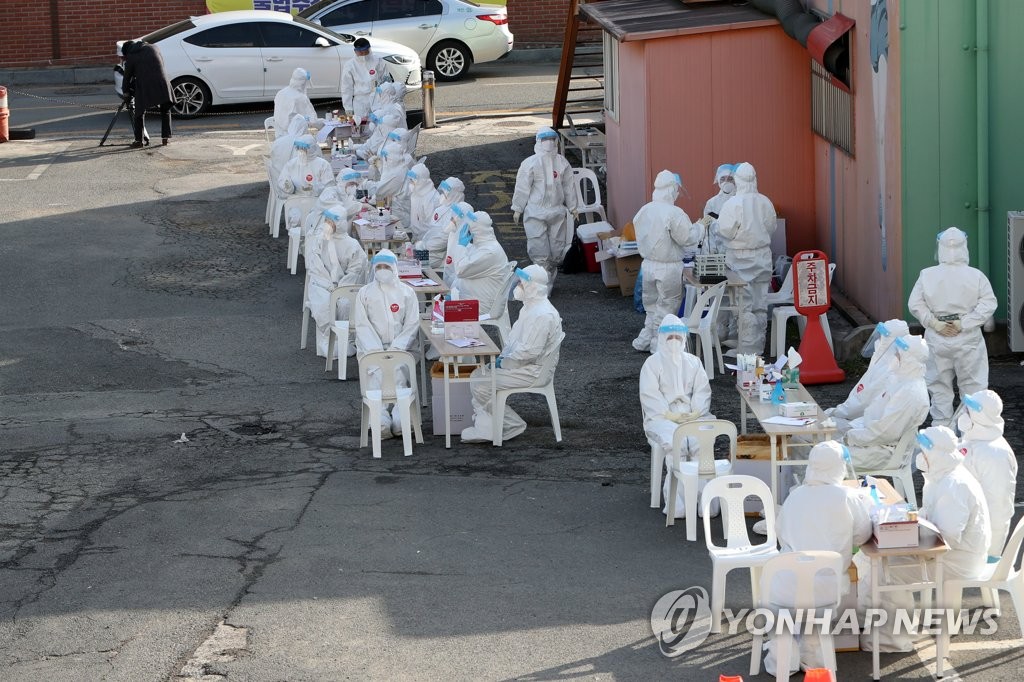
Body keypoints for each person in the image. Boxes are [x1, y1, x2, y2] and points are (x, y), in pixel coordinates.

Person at [856, 425, 991, 652]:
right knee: (866, 558)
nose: (921, 457)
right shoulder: (942, 476)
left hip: (956, 560)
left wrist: (903, 536)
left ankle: (891, 641)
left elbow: (946, 539)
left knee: (885, 573)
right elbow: (933, 522)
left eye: (925, 452)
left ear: (936, 454)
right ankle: (864, 621)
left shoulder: (953, 485)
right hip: (946, 552)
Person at [765, 440, 873, 675]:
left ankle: (783, 662)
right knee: (817, 619)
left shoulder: (795, 496)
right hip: (826, 587)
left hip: (786, 584)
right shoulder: (848, 497)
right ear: (839, 467)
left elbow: (781, 533)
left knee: (784, 620)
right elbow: (863, 535)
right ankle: (814, 661)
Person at [461, 265, 564, 444]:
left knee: (481, 383)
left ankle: (509, 424)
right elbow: (517, 341)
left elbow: (529, 352)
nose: (517, 288)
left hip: (531, 371)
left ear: (533, 288)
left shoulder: (542, 315)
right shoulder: (530, 308)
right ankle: (488, 427)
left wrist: (505, 362)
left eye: (522, 285)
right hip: (523, 365)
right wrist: (504, 358)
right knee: (480, 375)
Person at [907, 227, 997, 427]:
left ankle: (941, 430)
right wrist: (964, 323)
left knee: (938, 384)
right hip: (968, 337)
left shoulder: (927, 275)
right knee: (973, 384)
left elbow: (915, 304)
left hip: (937, 336)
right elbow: (989, 303)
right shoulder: (976, 276)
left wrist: (934, 323)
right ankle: (973, 429)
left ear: (940, 247)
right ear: (965, 247)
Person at [638, 314, 714, 518]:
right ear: (662, 339)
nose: (674, 342)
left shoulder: (693, 362)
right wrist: (667, 414)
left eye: (678, 338)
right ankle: (677, 503)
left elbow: (702, 390)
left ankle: (703, 501)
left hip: (694, 415)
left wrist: (696, 411)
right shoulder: (652, 364)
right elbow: (649, 395)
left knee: (701, 444)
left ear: (684, 339)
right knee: (676, 444)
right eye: (669, 338)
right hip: (661, 418)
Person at [631, 170, 702, 353]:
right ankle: (658, 345)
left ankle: (645, 339)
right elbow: (687, 238)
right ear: (672, 189)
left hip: (647, 265)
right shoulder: (674, 213)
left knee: (652, 306)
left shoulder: (644, 210)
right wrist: (700, 227)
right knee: (666, 307)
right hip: (668, 266)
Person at [352, 250, 421, 438]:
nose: (383, 271)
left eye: (387, 267)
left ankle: (400, 419)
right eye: (379, 267)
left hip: (403, 348)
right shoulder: (365, 293)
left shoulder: (407, 293)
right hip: (371, 349)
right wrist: (377, 352)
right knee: (376, 376)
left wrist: (396, 349)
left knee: (398, 372)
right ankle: (381, 419)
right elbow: (362, 326)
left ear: (394, 268)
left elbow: (412, 324)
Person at [716, 162, 778, 354]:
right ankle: (756, 346)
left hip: (740, 258)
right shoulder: (765, 201)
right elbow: (771, 227)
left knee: (743, 305)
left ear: (738, 181)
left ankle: (748, 349)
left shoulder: (733, 203)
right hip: (763, 256)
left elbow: (725, 231)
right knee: (760, 303)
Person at [844, 334, 930, 471]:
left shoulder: (910, 392)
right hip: (876, 444)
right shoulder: (902, 381)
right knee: (819, 448)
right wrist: (852, 431)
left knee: (822, 457)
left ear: (908, 359)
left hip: (883, 452)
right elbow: (875, 415)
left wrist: (851, 437)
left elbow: (884, 432)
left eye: (898, 354)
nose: (894, 357)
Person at [511, 127, 578, 288]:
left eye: (551, 139)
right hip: (535, 212)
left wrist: (573, 207)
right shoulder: (530, 163)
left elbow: (569, 186)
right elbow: (522, 188)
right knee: (539, 250)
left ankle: (548, 282)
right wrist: (517, 208)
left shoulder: (562, 162)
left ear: (556, 141)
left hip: (556, 211)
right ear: (538, 141)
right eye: (545, 139)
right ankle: (541, 285)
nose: (548, 142)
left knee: (556, 251)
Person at [959, 390, 1017, 560]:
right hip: (965, 529)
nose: (964, 413)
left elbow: (999, 507)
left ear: (980, 416)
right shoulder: (974, 441)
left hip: (979, 546)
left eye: (968, 411)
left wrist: (991, 552)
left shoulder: (995, 454)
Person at [824, 319, 910, 432]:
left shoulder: (889, 370)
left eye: (882, 336)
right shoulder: (887, 361)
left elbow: (861, 403)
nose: (878, 340)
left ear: (890, 340)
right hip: (866, 422)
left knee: (812, 430)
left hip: (866, 426)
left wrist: (834, 412)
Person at [305, 207, 368, 357]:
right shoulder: (319, 240)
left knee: (345, 304)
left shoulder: (352, 245)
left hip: (344, 286)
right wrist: (328, 286)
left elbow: (356, 271)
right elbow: (315, 267)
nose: (327, 224)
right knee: (323, 305)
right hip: (321, 284)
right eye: (326, 221)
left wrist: (339, 289)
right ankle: (328, 340)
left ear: (339, 223)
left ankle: (344, 340)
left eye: (331, 221)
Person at [451, 211, 510, 312]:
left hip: (479, 305)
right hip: (471, 298)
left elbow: (460, 270)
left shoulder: (489, 252)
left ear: (475, 230)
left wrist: (460, 246)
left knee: (437, 314)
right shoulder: (481, 245)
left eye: (468, 227)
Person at [121, 40, 174, 148]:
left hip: (145, 86)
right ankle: (165, 138)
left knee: (139, 112)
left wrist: (126, 93)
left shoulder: (131, 56)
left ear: (127, 52)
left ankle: (138, 141)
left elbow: (126, 78)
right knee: (165, 110)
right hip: (163, 83)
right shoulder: (154, 47)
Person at [342, 38, 393, 124]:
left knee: (379, 127)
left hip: (378, 99)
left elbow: (387, 81)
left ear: (369, 49)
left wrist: (388, 100)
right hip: (360, 102)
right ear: (355, 51)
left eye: (365, 51)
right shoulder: (350, 65)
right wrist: (348, 109)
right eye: (360, 52)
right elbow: (347, 88)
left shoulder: (378, 61)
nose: (363, 54)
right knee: (362, 129)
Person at [273, 68, 322, 137]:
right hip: (296, 138)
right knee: (313, 144)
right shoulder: (300, 98)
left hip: (279, 135)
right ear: (303, 83)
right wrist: (324, 123)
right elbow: (312, 120)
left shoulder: (280, 93)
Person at [703, 163, 738, 255]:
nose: (726, 182)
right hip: (717, 251)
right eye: (723, 179)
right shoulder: (712, 203)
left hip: (737, 251)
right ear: (718, 181)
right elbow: (707, 229)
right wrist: (711, 249)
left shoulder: (740, 201)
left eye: (730, 179)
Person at [405, 163, 441, 243]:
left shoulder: (432, 199)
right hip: (416, 238)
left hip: (426, 242)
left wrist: (421, 244)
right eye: (410, 180)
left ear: (421, 181)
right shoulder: (416, 193)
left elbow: (431, 227)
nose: (411, 183)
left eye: (412, 181)